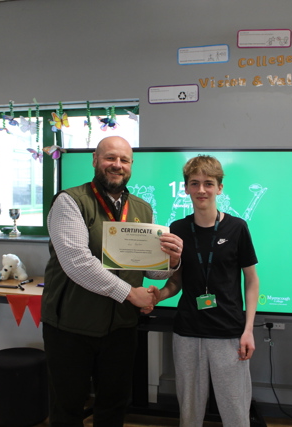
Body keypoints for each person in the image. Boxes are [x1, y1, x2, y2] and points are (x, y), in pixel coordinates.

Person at [42, 136, 183, 427]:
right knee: (67, 408)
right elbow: (78, 263)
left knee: (114, 406)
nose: (117, 165)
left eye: (124, 160)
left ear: (131, 165)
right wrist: (131, 294)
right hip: (71, 327)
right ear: (95, 160)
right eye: (110, 158)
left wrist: (171, 263)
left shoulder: (142, 208)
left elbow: (149, 269)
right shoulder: (70, 201)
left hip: (121, 328)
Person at [150, 155, 260, 427]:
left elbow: (251, 281)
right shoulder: (177, 229)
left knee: (236, 413)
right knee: (189, 414)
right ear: (186, 188)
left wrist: (248, 330)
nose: (201, 190)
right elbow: (176, 282)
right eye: (195, 183)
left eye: (208, 183)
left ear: (219, 188)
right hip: (187, 332)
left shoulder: (237, 228)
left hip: (229, 332)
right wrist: (159, 295)